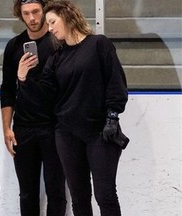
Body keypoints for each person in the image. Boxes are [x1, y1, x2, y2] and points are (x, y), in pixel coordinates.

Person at [18, 1, 129, 216]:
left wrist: (112, 116)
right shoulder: (56, 58)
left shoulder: (99, 44)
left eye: (52, 22)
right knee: (79, 198)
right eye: (47, 24)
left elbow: (116, 82)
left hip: (100, 131)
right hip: (67, 134)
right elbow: (44, 98)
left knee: (105, 195)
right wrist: (24, 78)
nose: (49, 28)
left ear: (67, 16)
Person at [0, 0, 66, 215]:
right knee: (27, 192)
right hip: (24, 127)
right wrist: (6, 128)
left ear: (44, 11)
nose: (32, 18)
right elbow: (7, 91)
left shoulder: (58, 41)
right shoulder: (14, 46)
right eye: (26, 13)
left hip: (54, 126)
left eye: (36, 12)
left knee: (56, 190)